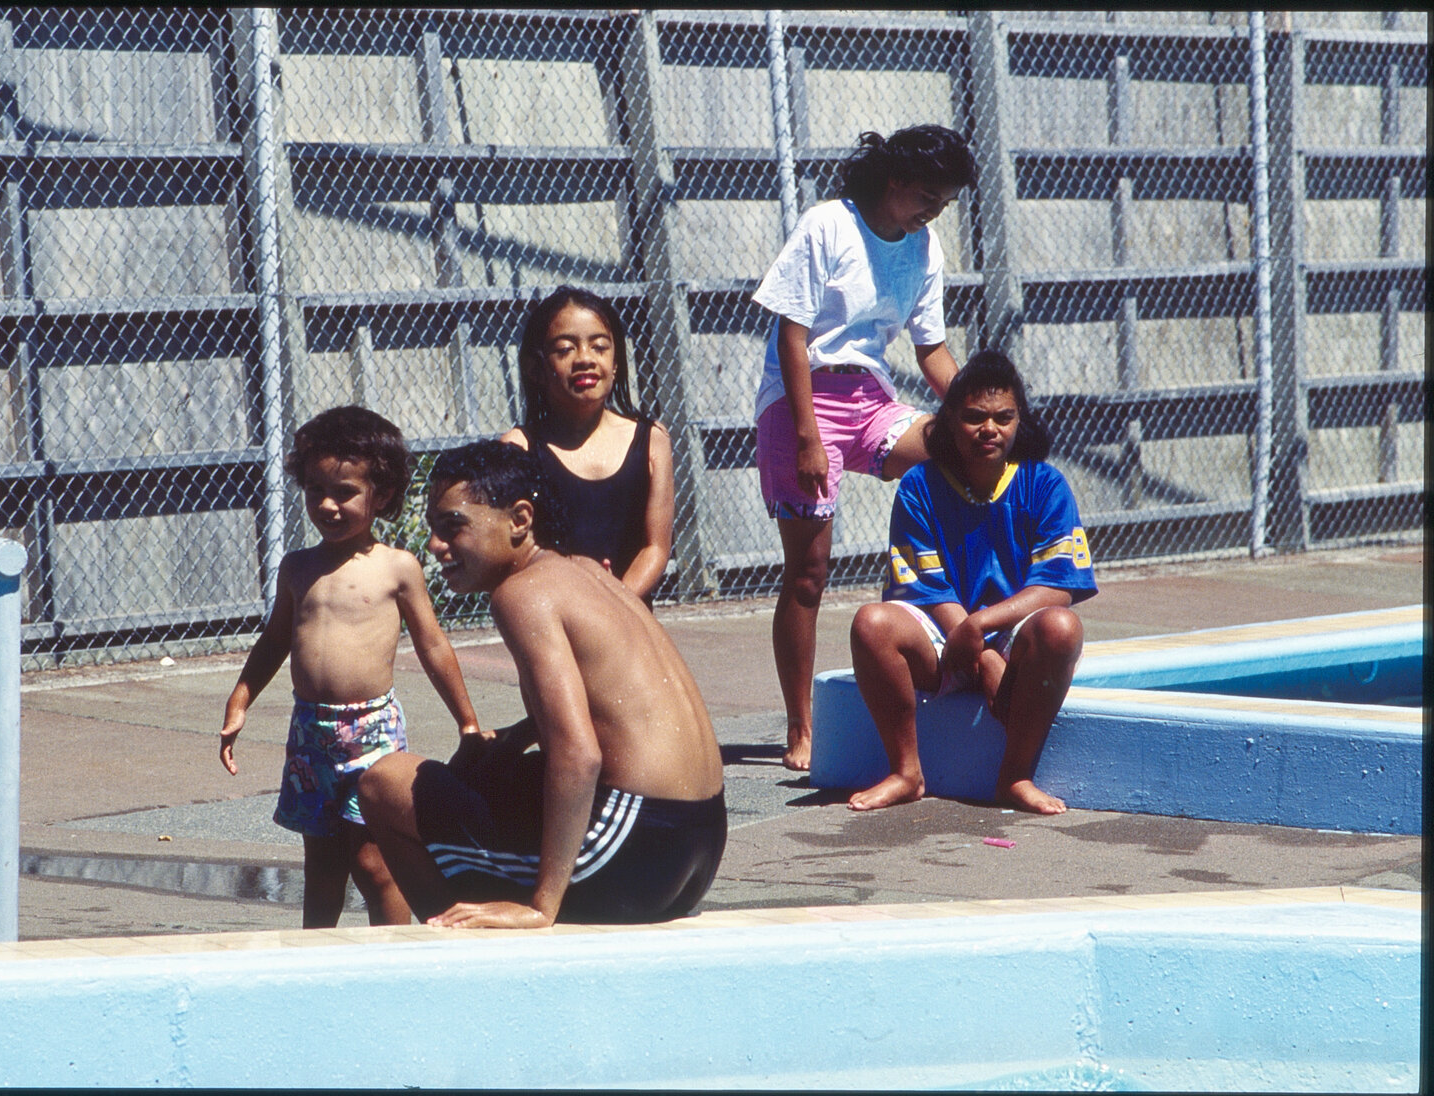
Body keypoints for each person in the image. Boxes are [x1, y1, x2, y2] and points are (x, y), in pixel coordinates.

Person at [357, 441, 726, 928]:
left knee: (385, 783)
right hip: (699, 843)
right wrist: (512, 741)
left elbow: (579, 753)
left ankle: (452, 944)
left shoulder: (521, 595)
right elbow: (606, 706)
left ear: (520, 519)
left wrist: (540, 906)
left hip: (629, 854)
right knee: (487, 774)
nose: (434, 546)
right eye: (432, 528)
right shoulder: (586, 571)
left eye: (452, 526)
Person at [752, 124, 976, 771]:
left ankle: (909, 638)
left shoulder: (923, 246)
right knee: (808, 572)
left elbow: (931, 350)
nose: (934, 213)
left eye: (944, 203)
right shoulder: (828, 225)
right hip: (800, 401)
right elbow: (791, 336)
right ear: (895, 179)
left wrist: (979, 409)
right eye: (928, 197)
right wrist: (807, 438)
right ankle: (801, 726)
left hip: (870, 400)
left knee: (960, 456)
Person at [218, 406, 483, 928]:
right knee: (321, 865)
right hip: (310, 733)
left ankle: (392, 954)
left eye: (344, 492)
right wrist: (240, 698)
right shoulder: (298, 567)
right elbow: (275, 641)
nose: (327, 504)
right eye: (316, 490)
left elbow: (433, 646)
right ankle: (316, 958)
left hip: (371, 732)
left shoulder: (396, 567)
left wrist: (467, 721)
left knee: (373, 862)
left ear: (381, 496)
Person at [846, 351, 1096, 815]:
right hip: (944, 635)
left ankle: (1015, 776)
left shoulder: (1045, 483)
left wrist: (981, 628)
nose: (990, 429)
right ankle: (906, 772)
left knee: (1062, 628)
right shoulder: (919, 485)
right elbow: (924, 585)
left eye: (1004, 417)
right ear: (949, 421)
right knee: (871, 624)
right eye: (974, 417)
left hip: (1008, 632)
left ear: (1020, 420)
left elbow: (1058, 584)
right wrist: (977, 653)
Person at [502, 286, 675, 604]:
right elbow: (512, 553)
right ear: (536, 368)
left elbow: (656, 548)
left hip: (628, 614)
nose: (584, 359)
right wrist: (578, 605)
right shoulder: (519, 449)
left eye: (599, 347)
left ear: (616, 362)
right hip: (554, 614)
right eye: (565, 349)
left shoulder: (652, 440)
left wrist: (613, 600)